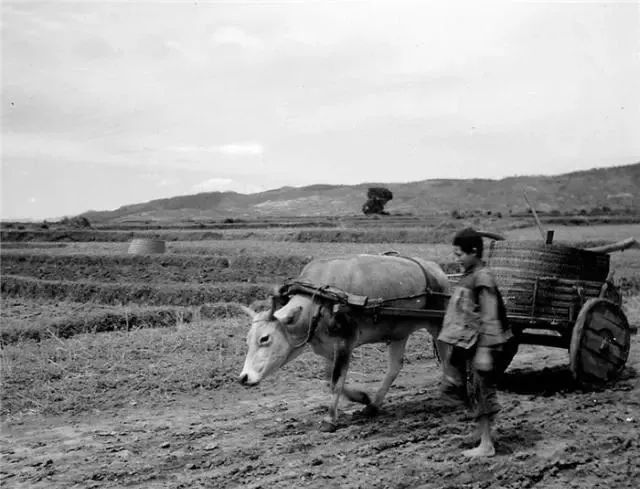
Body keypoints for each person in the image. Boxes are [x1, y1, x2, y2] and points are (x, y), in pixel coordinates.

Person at [437, 227, 512, 458]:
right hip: (468, 341)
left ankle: (487, 444)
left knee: (481, 388)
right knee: (458, 385)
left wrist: (485, 351)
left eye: (459, 254)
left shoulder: (482, 277)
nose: (456, 258)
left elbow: (489, 316)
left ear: (474, 252)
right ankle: (481, 431)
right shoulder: (469, 274)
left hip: (484, 343)